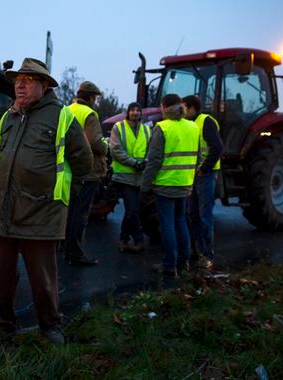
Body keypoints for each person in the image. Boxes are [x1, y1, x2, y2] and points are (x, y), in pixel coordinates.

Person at [0, 58, 93, 344]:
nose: (19, 84)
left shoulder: (61, 116)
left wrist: (60, 193)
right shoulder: (8, 116)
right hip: (4, 209)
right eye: (17, 79)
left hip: (41, 211)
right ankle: (3, 326)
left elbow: (83, 162)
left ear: (44, 85)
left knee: (42, 278)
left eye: (28, 79)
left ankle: (50, 327)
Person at [141, 94, 200, 277]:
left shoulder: (163, 128)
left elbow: (154, 161)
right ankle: (184, 263)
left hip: (166, 184)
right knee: (181, 221)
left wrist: (145, 185)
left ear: (164, 107)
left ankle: (169, 265)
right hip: (185, 183)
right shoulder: (193, 127)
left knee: (167, 224)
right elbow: (198, 156)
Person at [62, 81, 108, 266]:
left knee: (70, 210)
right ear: (90, 97)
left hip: (69, 167)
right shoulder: (89, 114)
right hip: (87, 171)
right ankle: (76, 253)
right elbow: (95, 142)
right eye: (95, 98)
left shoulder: (66, 110)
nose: (96, 102)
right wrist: (106, 148)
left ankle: (64, 248)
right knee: (81, 213)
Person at [182, 95, 223, 270]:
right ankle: (192, 249)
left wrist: (204, 168)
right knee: (192, 215)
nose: (181, 111)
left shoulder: (205, 121)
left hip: (205, 175)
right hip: (193, 175)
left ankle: (207, 255)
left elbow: (217, 147)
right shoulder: (189, 124)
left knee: (205, 216)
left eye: (183, 108)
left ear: (192, 109)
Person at [110, 102, 151, 253]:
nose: (135, 112)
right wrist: (134, 163)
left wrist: (145, 162)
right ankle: (139, 239)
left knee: (132, 210)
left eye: (138, 110)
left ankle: (123, 239)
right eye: (132, 110)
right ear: (127, 112)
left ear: (141, 113)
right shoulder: (118, 127)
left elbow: (151, 149)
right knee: (132, 209)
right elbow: (116, 150)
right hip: (124, 175)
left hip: (140, 176)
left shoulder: (147, 130)